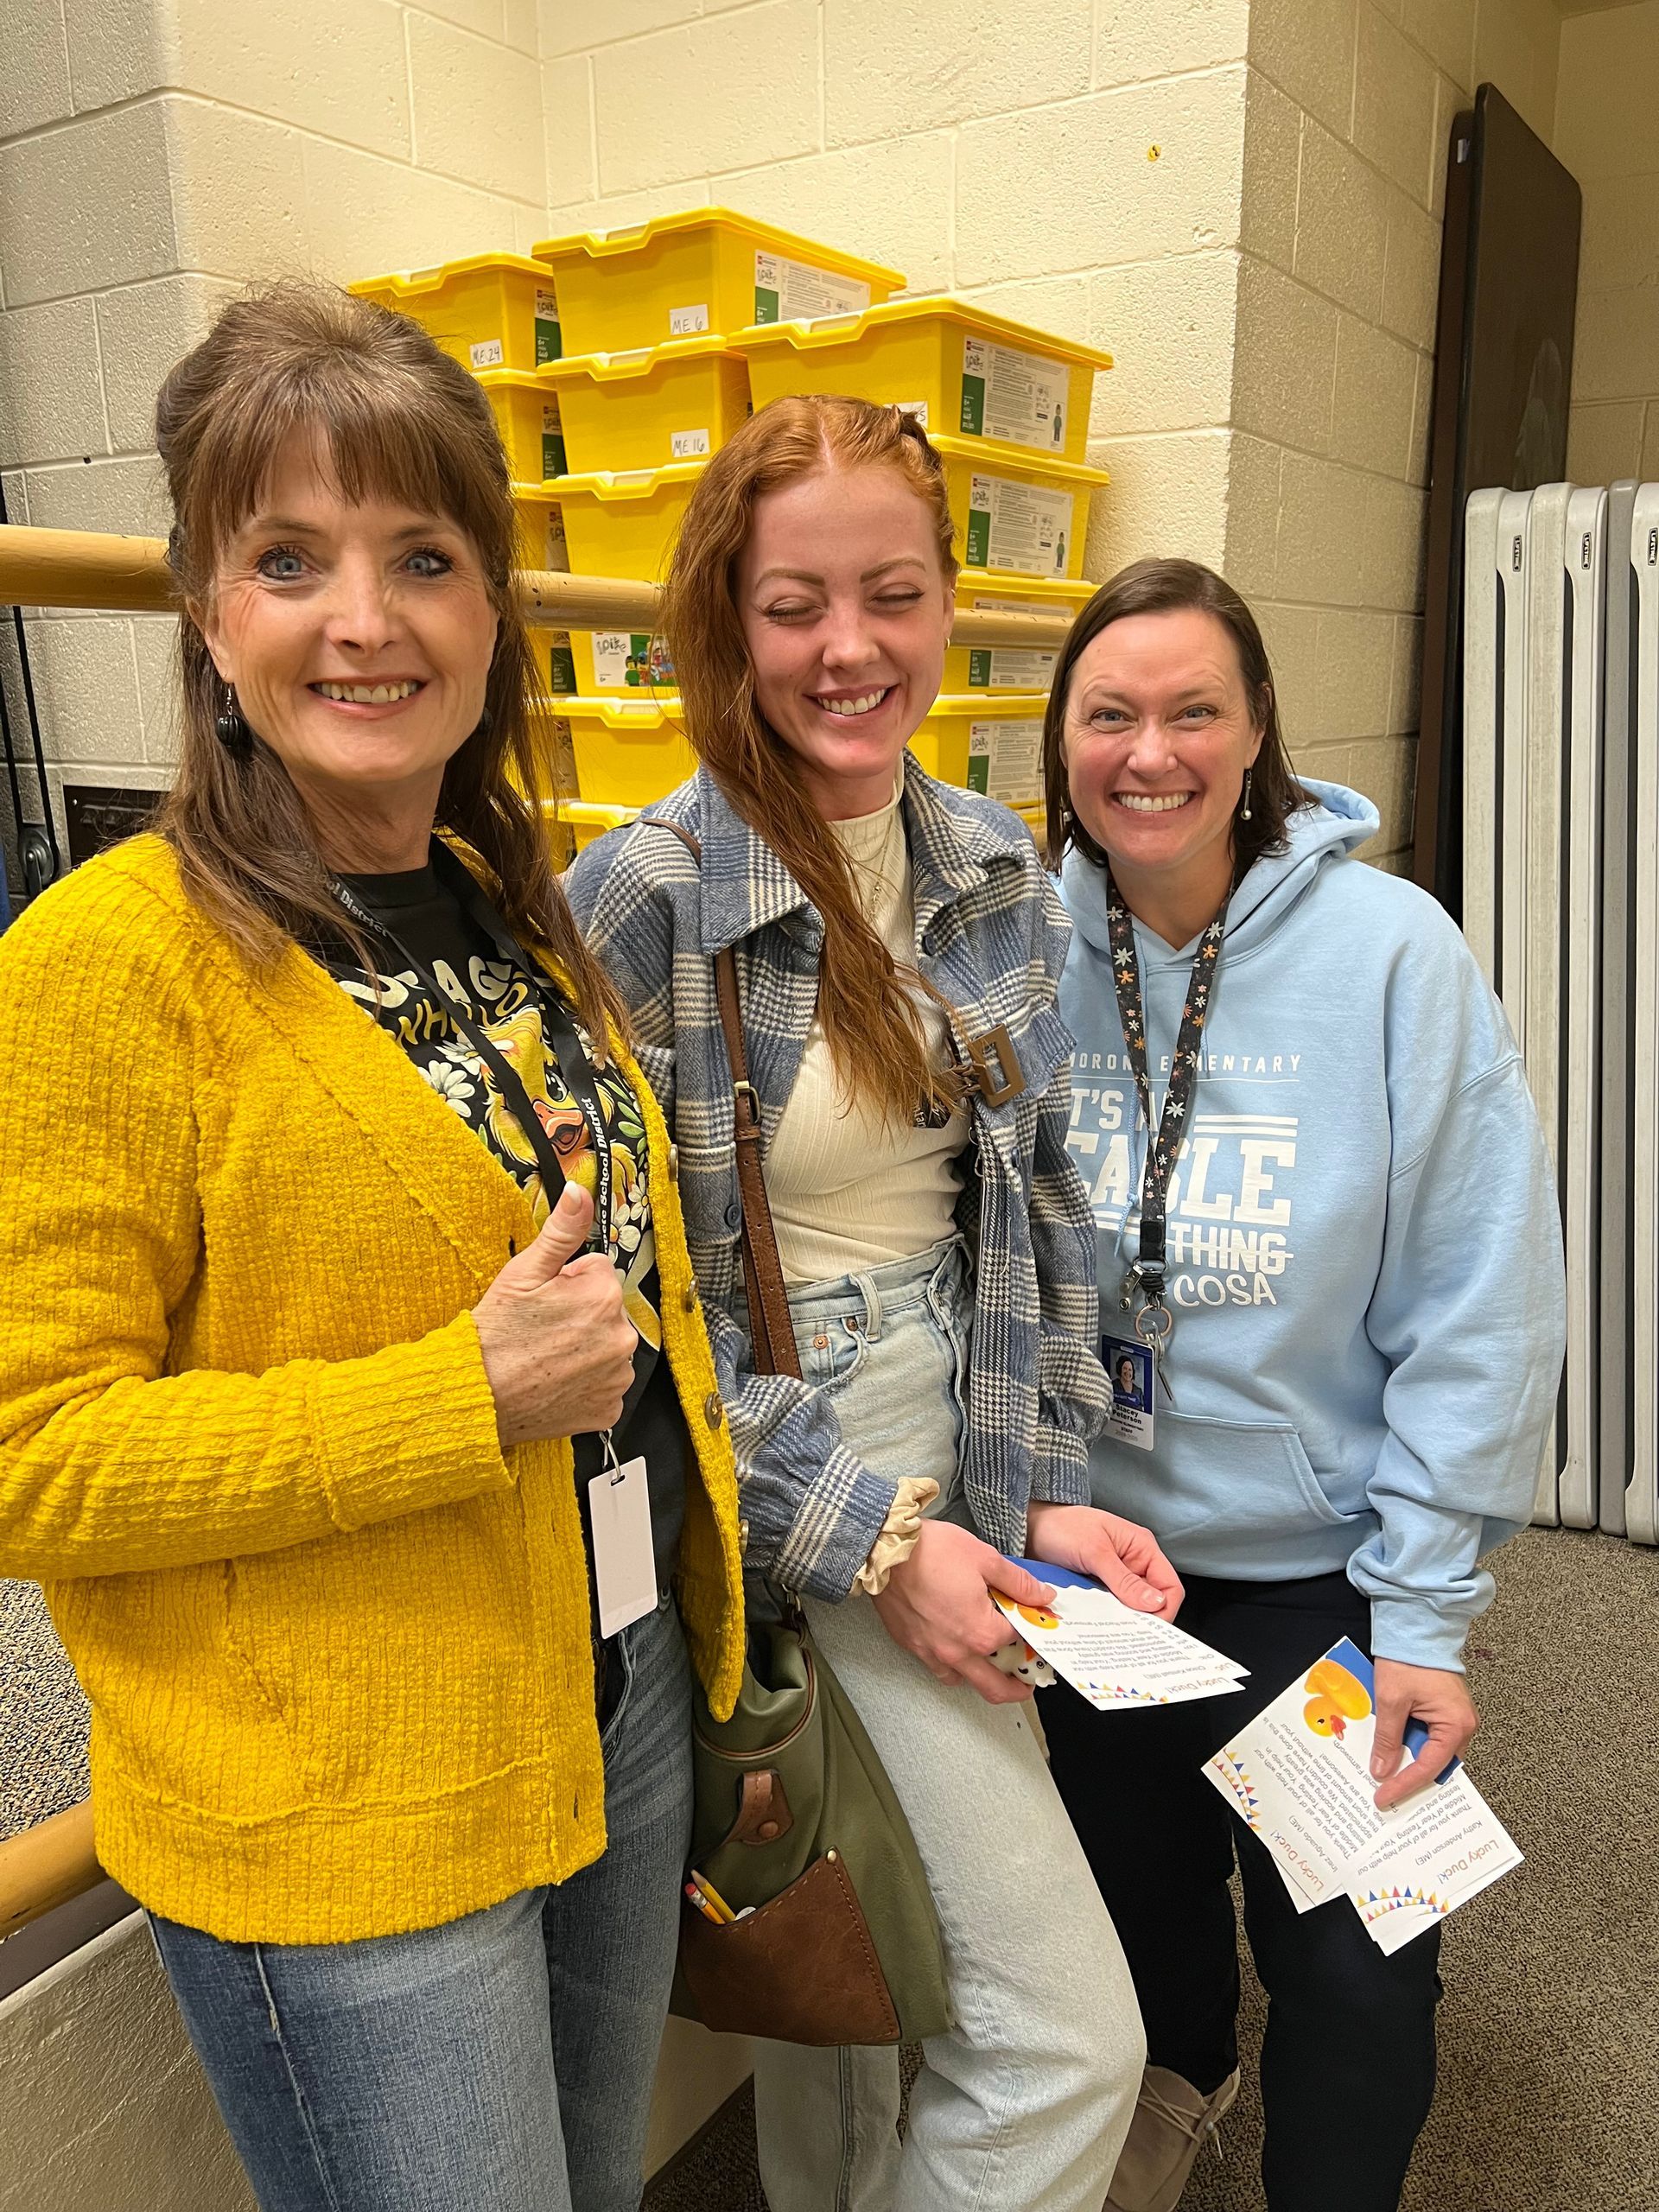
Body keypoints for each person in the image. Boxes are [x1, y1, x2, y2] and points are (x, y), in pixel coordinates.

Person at [0, 284, 745, 2212]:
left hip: (607, 1707)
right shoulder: (100, 966)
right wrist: (456, 1395)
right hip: (341, 1804)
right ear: (205, 608)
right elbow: (29, 1456)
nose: (366, 617)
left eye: (424, 555)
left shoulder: (511, 903)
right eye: (290, 558)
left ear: (493, 610)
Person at [566, 396, 1183, 2212]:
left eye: (894, 594)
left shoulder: (992, 860)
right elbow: (656, 1326)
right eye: (795, 604)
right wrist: (875, 1532)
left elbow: (1039, 1211)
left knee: (860, 1996)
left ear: (946, 600)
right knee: (1069, 2042)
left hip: (968, 1440)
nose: (853, 649)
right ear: (721, 617)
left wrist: (1049, 1480)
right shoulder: (646, 899)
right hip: (792, 1485)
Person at [1038, 556, 1564, 2212]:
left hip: (1322, 1578)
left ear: (1260, 730)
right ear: (1056, 739)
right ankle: (1178, 2098)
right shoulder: (1003, 944)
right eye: (1109, 714)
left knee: (1357, 1977)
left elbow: (1483, 1301)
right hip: (1089, 1570)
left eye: (1197, 710)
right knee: (1134, 1926)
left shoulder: (1391, 952)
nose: (1151, 754)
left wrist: (1425, 1613)